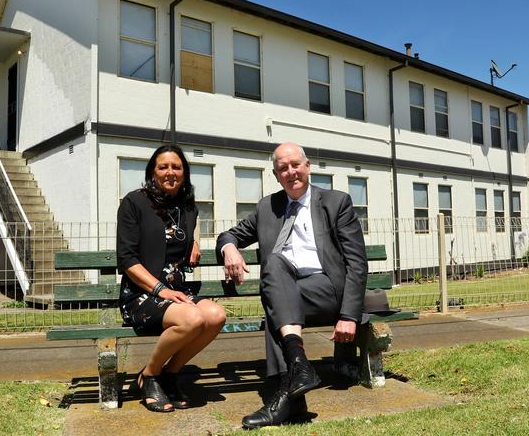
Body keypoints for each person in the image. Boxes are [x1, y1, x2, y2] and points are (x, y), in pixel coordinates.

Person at [216, 142, 368, 428]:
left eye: (295, 165)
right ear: (275, 175)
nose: (291, 172)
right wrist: (229, 249)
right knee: (274, 269)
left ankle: (288, 395)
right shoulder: (267, 207)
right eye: (283, 168)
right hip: (287, 291)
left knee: (274, 302)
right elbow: (228, 234)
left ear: (307, 166)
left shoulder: (336, 202)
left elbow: (357, 263)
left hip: (327, 290)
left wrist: (349, 315)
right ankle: (296, 379)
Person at [117, 144, 226, 412]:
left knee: (215, 316)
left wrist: (195, 243)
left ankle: (169, 374)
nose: (170, 172)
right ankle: (150, 376)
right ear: (152, 172)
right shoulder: (134, 202)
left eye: (176, 167)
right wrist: (160, 290)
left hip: (177, 293)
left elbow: (185, 230)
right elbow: (127, 259)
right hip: (141, 295)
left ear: (184, 172)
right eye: (163, 167)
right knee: (193, 319)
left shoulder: (187, 207)